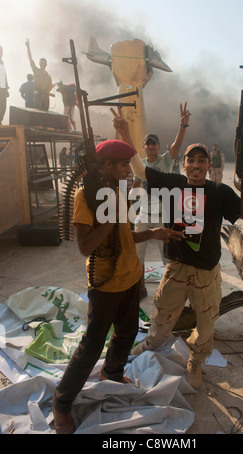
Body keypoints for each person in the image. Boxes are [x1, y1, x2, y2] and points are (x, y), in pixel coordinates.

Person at [111, 105, 243, 391]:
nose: (195, 165)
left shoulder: (219, 192)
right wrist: (126, 133)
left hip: (206, 272)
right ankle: (151, 344)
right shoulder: (173, 184)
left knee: (205, 323)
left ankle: (196, 362)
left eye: (201, 161)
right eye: (190, 160)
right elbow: (140, 169)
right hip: (176, 266)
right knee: (162, 314)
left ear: (208, 165)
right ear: (184, 165)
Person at [52, 139, 182, 434]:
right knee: (92, 345)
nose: (128, 171)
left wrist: (152, 232)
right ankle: (61, 402)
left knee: (126, 331)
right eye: (123, 165)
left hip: (130, 276)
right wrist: (110, 218)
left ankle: (112, 373)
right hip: (106, 283)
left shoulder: (115, 192)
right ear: (106, 165)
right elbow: (85, 246)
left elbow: (125, 236)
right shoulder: (87, 196)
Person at [133, 102, 190, 298]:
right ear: (144, 147)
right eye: (147, 143)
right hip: (144, 216)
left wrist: (182, 126)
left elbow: (177, 145)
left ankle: (167, 291)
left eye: (153, 143)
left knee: (167, 256)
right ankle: (140, 289)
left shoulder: (166, 160)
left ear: (158, 146)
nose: (150, 146)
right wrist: (128, 209)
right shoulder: (140, 165)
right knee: (137, 256)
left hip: (162, 216)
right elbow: (135, 188)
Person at [25, 38, 54, 111]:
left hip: (46, 96)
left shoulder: (48, 76)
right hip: (38, 95)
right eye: (41, 63)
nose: (42, 64)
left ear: (46, 64)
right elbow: (30, 59)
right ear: (39, 63)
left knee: (46, 112)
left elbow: (50, 86)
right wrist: (28, 47)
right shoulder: (36, 70)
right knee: (38, 112)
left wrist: (49, 90)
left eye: (43, 63)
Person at [0, 46, 9, 125]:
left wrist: (6, 88)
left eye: (1, 52)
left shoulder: (2, 62)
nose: (0, 53)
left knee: (3, 106)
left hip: (3, 88)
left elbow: (4, 75)